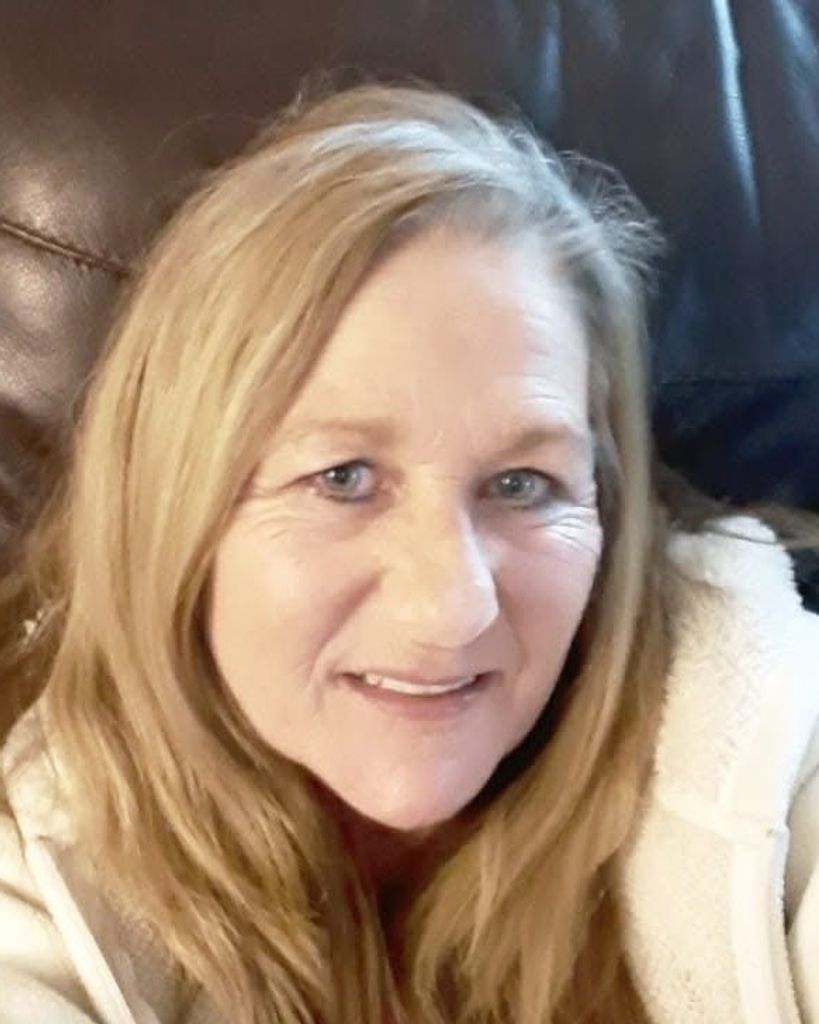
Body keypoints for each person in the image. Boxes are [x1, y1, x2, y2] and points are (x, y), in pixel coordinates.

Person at [0, 80, 816, 1024]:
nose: (451, 610)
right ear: (173, 515)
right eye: (342, 477)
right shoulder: (33, 881)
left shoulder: (768, 746)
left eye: (522, 484)